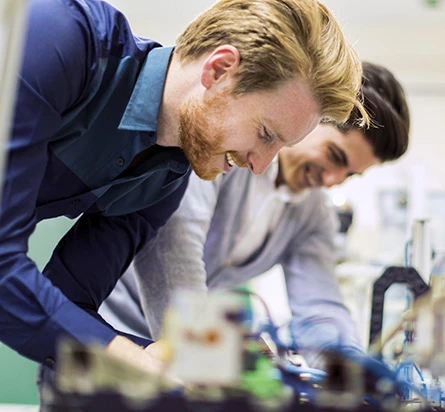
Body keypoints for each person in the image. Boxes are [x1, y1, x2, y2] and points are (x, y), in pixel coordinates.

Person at [0, 0, 367, 374]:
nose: (260, 166)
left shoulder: (166, 179)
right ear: (220, 69)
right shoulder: (63, 37)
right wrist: (141, 361)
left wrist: (216, 365)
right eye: (265, 134)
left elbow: (70, 303)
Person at [99, 62, 410, 364]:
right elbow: (175, 249)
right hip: (109, 335)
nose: (331, 180)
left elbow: (319, 308)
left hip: (181, 353)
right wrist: (212, 357)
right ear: (314, 118)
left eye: (349, 175)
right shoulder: (230, 152)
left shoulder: (313, 214)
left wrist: (350, 374)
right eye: (334, 156)